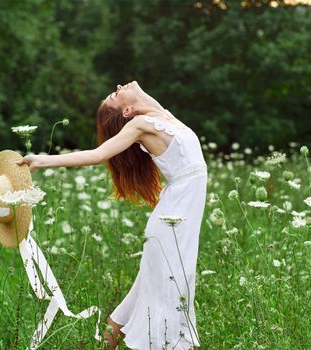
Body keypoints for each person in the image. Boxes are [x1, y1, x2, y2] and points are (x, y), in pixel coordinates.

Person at [17, 81, 207, 350]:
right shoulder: (140, 125)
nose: (119, 86)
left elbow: (148, 102)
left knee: (145, 298)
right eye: (115, 94)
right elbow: (97, 155)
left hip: (180, 221)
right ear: (127, 110)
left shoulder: (161, 115)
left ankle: (107, 344)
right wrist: (43, 160)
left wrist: (138, 101)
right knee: (174, 299)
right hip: (172, 224)